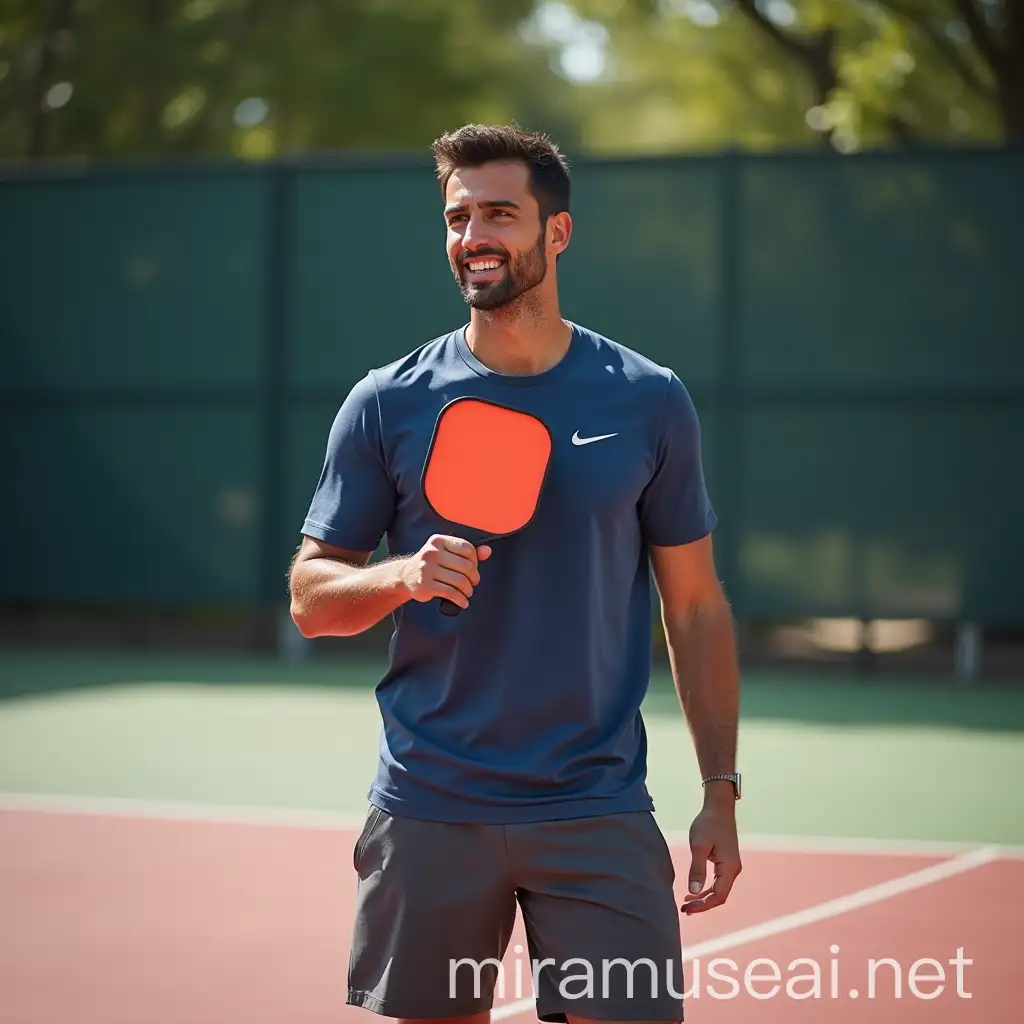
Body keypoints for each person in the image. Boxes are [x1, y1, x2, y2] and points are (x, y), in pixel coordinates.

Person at [288, 123, 741, 1024]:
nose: (474, 236)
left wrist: (719, 793)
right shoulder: (387, 401)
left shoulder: (649, 399)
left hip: (597, 804)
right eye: (458, 218)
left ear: (557, 232)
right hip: (430, 804)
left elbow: (692, 607)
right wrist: (401, 577)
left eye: (500, 213)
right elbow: (311, 601)